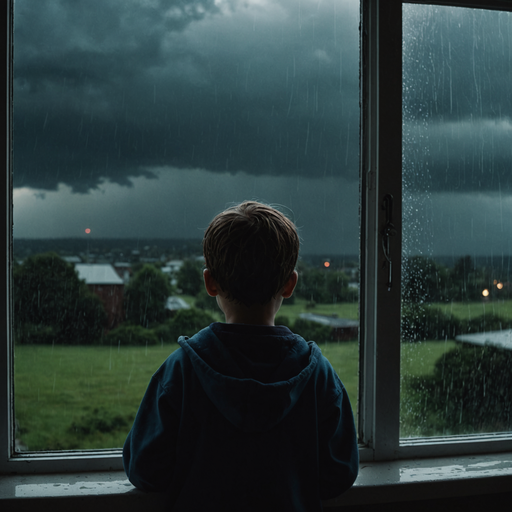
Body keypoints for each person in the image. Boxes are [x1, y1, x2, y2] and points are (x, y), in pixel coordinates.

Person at [123, 201, 359, 511]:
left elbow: (145, 470)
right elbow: (338, 474)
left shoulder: (182, 369)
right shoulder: (317, 373)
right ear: (290, 284)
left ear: (210, 282)